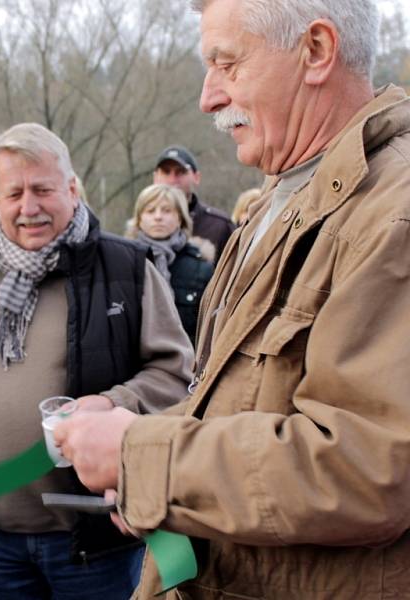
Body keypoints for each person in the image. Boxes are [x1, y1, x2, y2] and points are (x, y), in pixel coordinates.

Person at [55, 0, 410, 598]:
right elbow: (242, 409)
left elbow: (368, 469)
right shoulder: (284, 197)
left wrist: (141, 456)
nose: (208, 97)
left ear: (316, 51)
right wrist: (144, 460)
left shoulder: (391, 214)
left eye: (227, 64)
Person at [0, 122, 194, 599]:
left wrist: (113, 403)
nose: (27, 207)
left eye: (42, 189)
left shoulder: (125, 267)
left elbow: (175, 373)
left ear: (72, 189)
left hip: (95, 538)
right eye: (13, 193)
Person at [125, 183, 214, 345]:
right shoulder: (122, 263)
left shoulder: (201, 269)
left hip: (187, 362)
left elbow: (210, 329)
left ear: (179, 218)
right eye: (150, 210)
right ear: (139, 219)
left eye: (166, 210)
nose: (158, 217)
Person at [153, 145, 235, 260]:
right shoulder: (143, 224)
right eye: (166, 172)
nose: (172, 180)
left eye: (180, 172)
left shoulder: (220, 226)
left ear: (196, 177)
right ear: (155, 178)